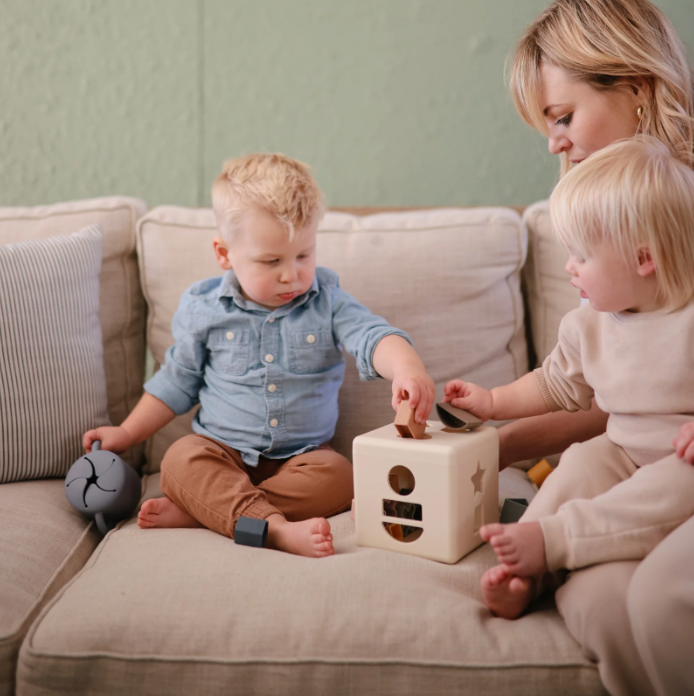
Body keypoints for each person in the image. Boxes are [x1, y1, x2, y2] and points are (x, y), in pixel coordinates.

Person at [486, 2, 694, 695]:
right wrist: (496, 432)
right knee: (600, 603)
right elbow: (611, 388)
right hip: (637, 459)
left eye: (563, 117)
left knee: (660, 597)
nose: (553, 143)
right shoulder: (605, 234)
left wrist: (507, 444)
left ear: (637, 88)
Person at [83, 152, 435, 559]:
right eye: (271, 261)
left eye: (304, 255)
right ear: (224, 254)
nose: (292, 274)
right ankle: (275, 528)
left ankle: (208, 512)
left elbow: (372, 336)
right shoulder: (205, 309)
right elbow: (176, 381)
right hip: (221, 452)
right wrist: (125, 434)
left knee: (341, 476)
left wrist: (407, 368)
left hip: (302, 461)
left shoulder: (329, 302)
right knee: (180, 459)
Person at [446, 133, 694, 608]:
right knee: (580, 461)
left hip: (679, 462)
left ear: (644, 258)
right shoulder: (588, 325)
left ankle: (553, 541)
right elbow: (555, 383)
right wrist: (493, 402)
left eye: (582, 255)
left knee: (678, 478)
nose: (569, 268)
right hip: (623, 453)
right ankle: (523, 578)